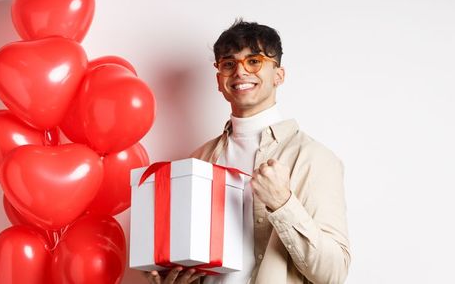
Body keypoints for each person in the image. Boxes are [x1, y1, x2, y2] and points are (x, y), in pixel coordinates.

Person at [143, 20, 351, 284]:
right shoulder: (198, 160)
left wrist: (283, 203)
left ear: (279, 75)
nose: (240, 72)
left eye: (254, 61)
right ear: (219, 80)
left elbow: (334, 273)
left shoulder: (315, 158)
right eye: (228, 64)